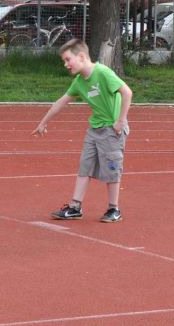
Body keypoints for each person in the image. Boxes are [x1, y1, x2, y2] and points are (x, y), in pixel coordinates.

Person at [31, 38, 133, 223]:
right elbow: (60, 102)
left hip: (112, 130)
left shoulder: (102, 72)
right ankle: (75, 207)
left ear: (82, 56)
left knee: (112, 169)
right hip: (94, 130)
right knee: (84, 168)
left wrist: (121, 120)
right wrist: (43, 123)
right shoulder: (79, 82)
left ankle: (113, 209)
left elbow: (127, 92)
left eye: (68, 59)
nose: (65, 64)